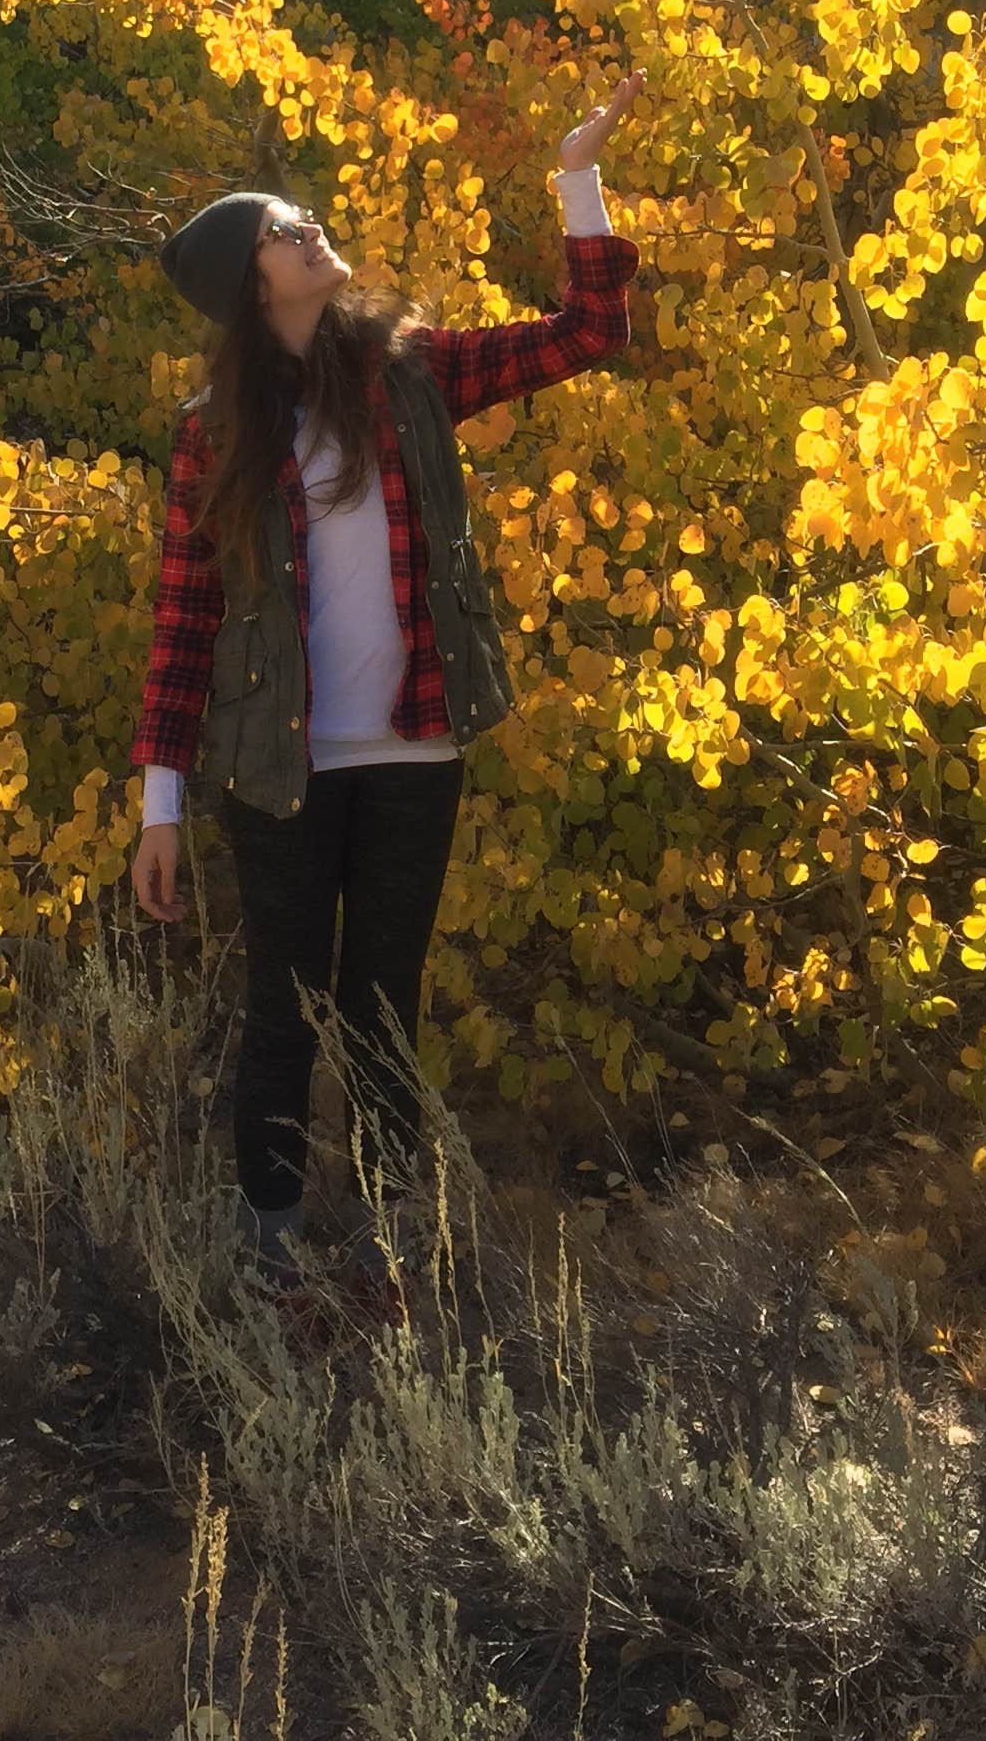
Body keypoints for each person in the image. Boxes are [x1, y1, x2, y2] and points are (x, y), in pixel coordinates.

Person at [129, 75, 644, 1293]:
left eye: (300, 217)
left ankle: (391, 1245)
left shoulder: (411, 373)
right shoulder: (216, 431)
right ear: (253, 287)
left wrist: (578, 179)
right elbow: (184, 619)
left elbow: (587, 333)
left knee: (382, 1008)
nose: (307, 229)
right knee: (281, 1005)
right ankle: (265, 1257)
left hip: (417, 751)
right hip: (279, 770)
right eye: (280, 230)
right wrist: (160, 808)